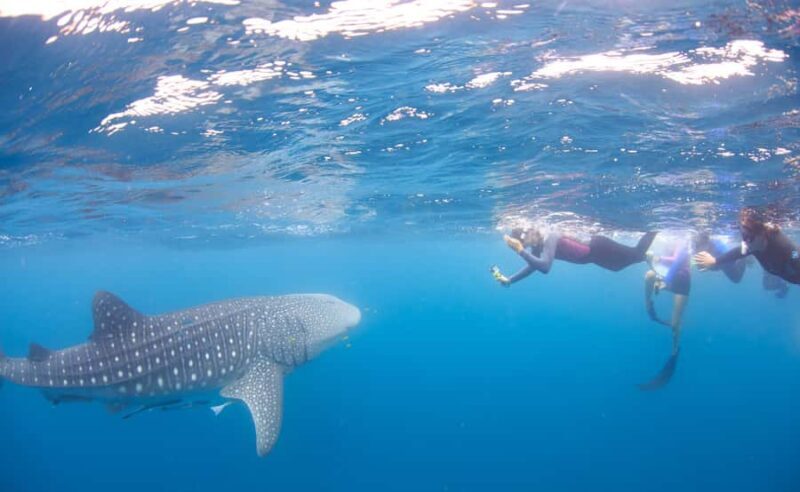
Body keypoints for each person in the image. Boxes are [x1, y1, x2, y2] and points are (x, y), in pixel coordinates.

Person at [491, 227, 657, 286]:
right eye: (526, 245)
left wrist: (521, 250)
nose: (530, 246)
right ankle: (646, 257)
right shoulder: (538, 245)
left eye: (526, 242)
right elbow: (533, 266)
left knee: (636, 254)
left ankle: (654, 229)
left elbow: (545, 268)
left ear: (531, 232)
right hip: (592, 257)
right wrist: (510, 280)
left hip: (599, 247)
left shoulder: (550, 236)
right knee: (617, 267)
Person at [694, 207, 800, 285]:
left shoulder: (786, 249)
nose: (745, 242)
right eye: (743, 236)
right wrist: (715, 261)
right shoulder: (753, 243)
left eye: (749, 238)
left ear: (762, 234)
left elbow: (794, 253)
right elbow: (738, 252)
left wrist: (794, 257)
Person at [639, 241, 690, 390]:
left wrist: (657, 259)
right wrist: (651, 259)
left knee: (675, 325)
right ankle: (648, 305)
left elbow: (678, 259)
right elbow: (655, 263)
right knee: (649, 275)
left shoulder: (684, 241)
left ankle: (674, 352)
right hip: (667, 277)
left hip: (682, 281)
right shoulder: (665, 238)